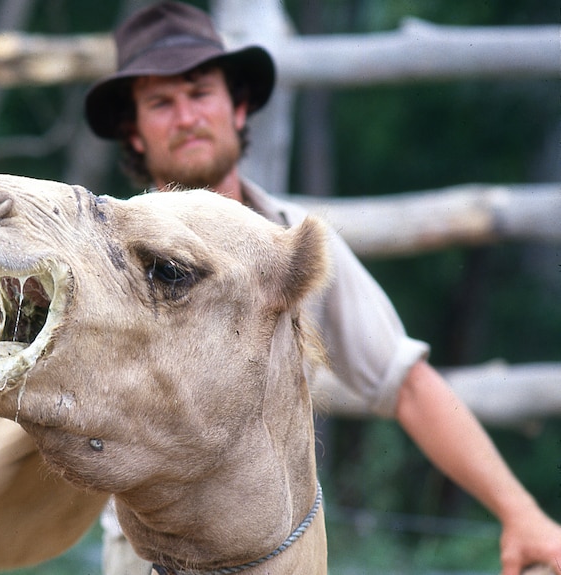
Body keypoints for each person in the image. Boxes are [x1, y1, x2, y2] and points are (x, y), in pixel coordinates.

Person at [83, 3, 561, 575]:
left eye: (199, 91)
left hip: (282, 554)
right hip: (148, 556)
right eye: (161, 103)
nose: (186, 116)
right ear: (133, 135)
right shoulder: (101, 258)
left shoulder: (292, 252)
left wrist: (521, 513)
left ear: (238, 107)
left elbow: (407, 384)